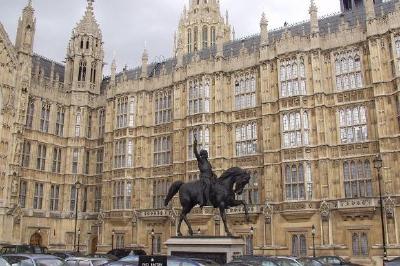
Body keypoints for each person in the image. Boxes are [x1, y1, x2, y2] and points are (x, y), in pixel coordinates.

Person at [193, 136, 216, 207]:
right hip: (204, 178)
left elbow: (210, 170)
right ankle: (207, 201)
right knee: (208, 184)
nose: (207, 154)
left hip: (209, 177)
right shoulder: (201, 160)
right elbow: (195, 153)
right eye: (206, 153)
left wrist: (214, 174)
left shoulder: (207, 162)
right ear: (203, 155)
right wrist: (195, 145)